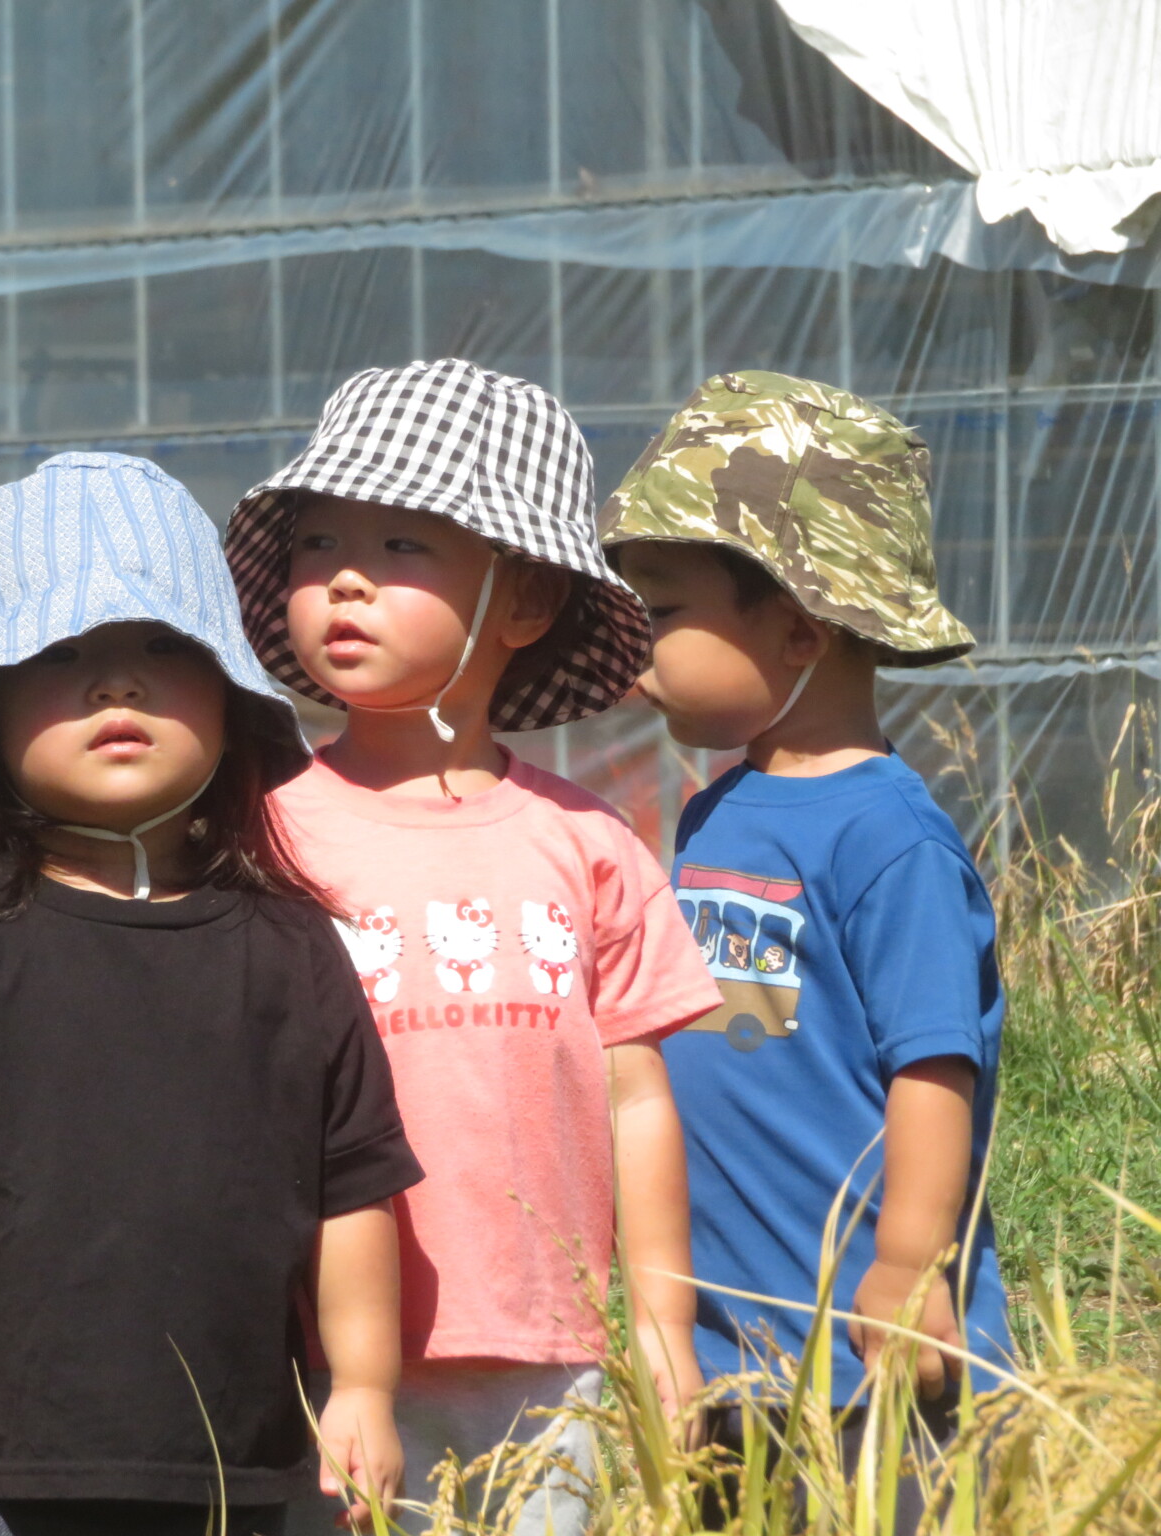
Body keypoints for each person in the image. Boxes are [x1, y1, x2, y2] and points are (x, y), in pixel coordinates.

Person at [0, 453, 422, 1536]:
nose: (115, 684)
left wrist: (362, 1387)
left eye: (162, 647)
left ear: (229, 693)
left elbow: (352, 1192)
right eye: (61, 652)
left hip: (236, 1471)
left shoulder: (290, 944)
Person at [223, 361, 722, 1534]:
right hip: (316, 1356)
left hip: (545, 1357)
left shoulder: (587, 844)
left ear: (523, 601)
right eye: (317, 544)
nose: (345, 578)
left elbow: (635, 1096)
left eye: (402, 545)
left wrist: (661, 1325)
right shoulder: (259, 835)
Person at [599, 371, 1013, 1522]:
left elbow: (931, 1065)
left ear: (797, 627)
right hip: (735, 1354)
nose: (636, 652)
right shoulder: (712, 811)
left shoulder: (888, 838)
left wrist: (907, 1265)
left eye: (661, 613)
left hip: (874, 1359)